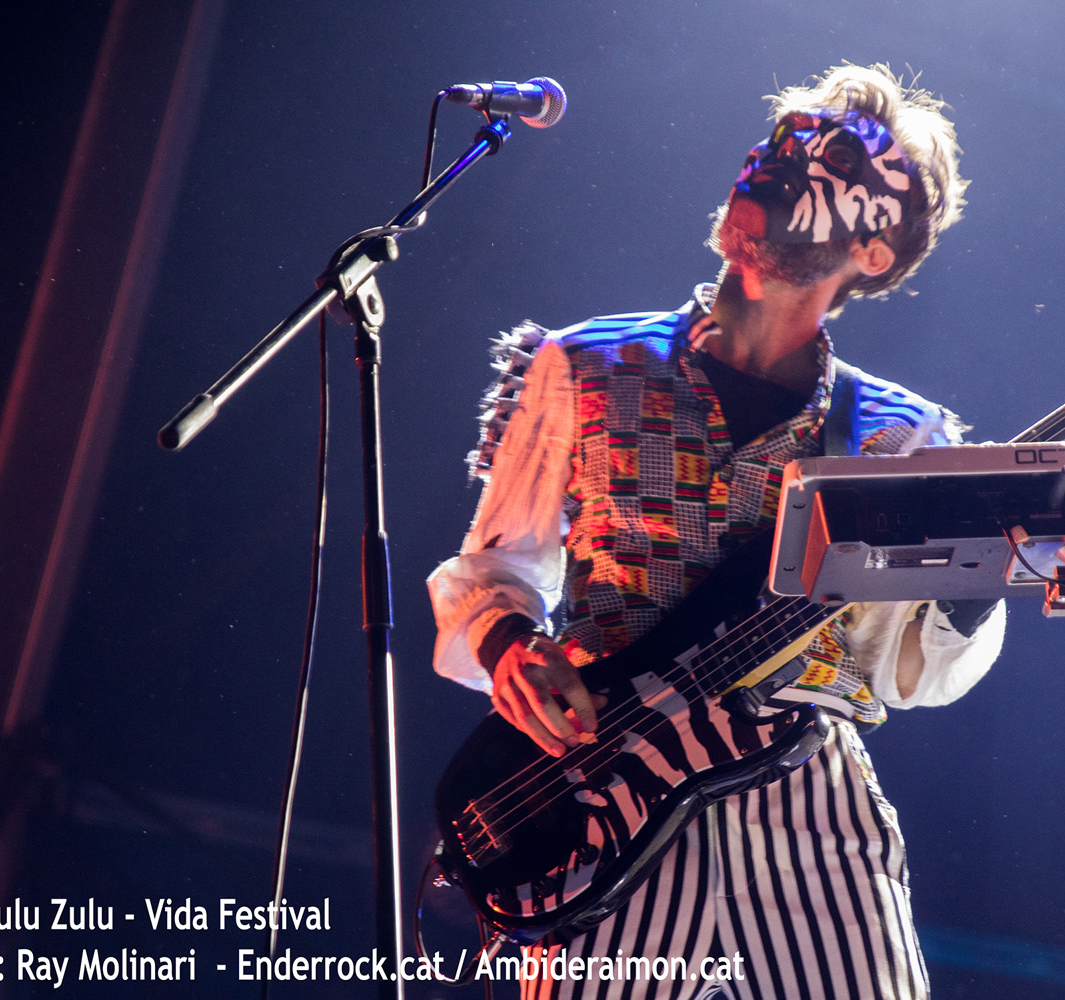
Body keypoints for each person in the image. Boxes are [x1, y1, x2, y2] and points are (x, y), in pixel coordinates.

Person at [428, 63, 1006, 1000]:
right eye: (780, 142)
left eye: (830, 159)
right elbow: (495, 568)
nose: (779, 163)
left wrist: (978, 584)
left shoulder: (902, 436)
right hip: (603, 788)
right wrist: (509, 647)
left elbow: (906, 668)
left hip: (809, 807)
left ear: (875, 250)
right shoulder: (583, 362)